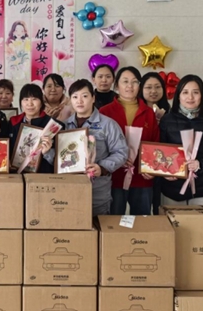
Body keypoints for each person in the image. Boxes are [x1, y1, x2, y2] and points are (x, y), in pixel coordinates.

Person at [158, 75, 203, 206]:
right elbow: (159, 150)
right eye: (185, 92)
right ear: (178, 96)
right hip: (172, 189)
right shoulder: (167, 120)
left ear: (202, 95)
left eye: (195, 92)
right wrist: (164, 171)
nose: (190, 97)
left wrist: (201, 164)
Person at [100, 66, 160, 215]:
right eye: (125, 81)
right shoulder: (105, 112)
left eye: (134, 82)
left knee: (141, 221)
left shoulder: (148, 113)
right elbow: (99, 146)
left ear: (139, 86)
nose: (130, 86)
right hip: (114, 177)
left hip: (142, 178)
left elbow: (155, 144)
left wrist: (153, 170)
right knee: (113, 221)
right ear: (116, 85)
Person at [64, 80, 128, 216]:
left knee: (98, 227)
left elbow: (121, 152)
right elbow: (60, 158)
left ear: (93, 98)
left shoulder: (108, 124)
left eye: (84, 96)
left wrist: (102, 167)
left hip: (97, 192)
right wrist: (46, 151)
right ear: (70, 100)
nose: (79, 101)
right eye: (75, 97)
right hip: (69, 190)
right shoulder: (64, 126)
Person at [9, 84, 64, 173]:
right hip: (16, 175)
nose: (30, 103)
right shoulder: (13, 123)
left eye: (34, 99)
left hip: (43, 176)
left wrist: (48, 152)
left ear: (41, 102)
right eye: (26, 99)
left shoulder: (53, 126)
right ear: (21, 102)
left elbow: (62, 161)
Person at [139, 72, 172, 215]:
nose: (153, 91)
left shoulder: (171, 113)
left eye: (158, 87)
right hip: (143, 170)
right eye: (148, 87)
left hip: (165, 169)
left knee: (160, 208)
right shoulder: (138, 113)